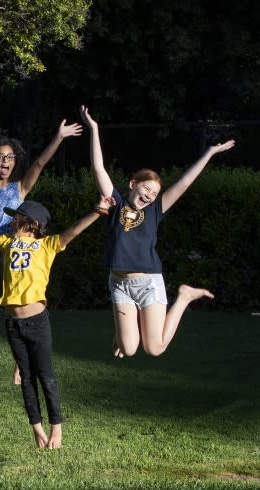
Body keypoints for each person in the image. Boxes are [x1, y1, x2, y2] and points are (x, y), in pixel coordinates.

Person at [0, 196, 115, 448]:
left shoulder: (48, 245)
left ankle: (57, 429)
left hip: (37, 322)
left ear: (31, 224)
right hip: (13, 324)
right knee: (26, 377)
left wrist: (98, 211)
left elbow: (73, 230)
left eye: (16, 218)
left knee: (46, 376)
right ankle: (37, 429)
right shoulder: (7, 242)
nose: (11, 221)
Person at [79, 105, 235, 358]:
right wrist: (94, 129)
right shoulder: (115, 204)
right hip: (119, 284)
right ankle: (122, 333)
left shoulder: (155, 211)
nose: (149, 196)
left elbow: (185, 182)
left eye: (153, 194)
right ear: (132, 184)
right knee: (128, 349)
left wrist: (210, 152)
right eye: (146, 190)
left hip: (148, 282)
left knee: (154, 348)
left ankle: (184, 296)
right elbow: (98, 168)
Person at [0, 96, 82, 383]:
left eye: (10, 157)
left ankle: (19, 363)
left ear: (15, 161)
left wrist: (59, 137)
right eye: (0, 157)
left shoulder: (20, 188)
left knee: (18, 304)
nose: (5, 161)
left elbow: (39, 164)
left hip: (14, 252)